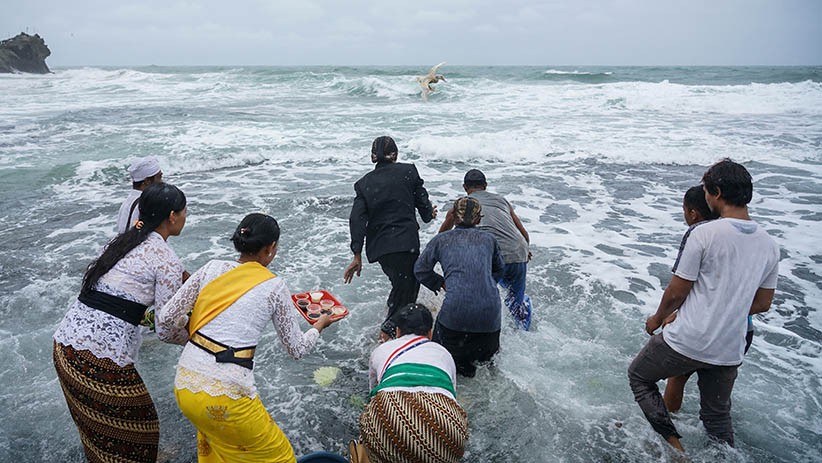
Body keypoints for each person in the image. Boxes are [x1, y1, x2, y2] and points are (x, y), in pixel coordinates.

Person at [157, 213, 340, 463]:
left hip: (185, 386)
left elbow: (166, 317)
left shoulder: (212, 267)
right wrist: (318, 326)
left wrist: (195, 338)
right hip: (225, 398)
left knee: (219, 453)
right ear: (270, 248)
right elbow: (297, 349)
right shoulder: (274, 286)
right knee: (280, 457)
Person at [628, 159, 779, 452]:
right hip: (729, 347)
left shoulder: (704, 234)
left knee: (639, 376)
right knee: (718, 418)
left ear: (717, 193)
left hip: (688, 340)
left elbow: (676, 291)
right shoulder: (769, 244)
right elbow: (763, 303)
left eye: (708, 191)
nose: (706, 196)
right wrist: (727, 309)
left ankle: (674, 447)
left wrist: (657, 319)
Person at [53, 182, 187, 463]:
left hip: (65, 345)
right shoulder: (165, 259)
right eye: (185, 212)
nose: (186, 217)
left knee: (98, 432)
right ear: (172, 216)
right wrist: (198, 336)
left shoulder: (123, 242)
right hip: (97, 358)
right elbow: (165, 329)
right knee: (141, 430)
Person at [662, 185, 757, 413]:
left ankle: (668, 429)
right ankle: (720, 440)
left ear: (693, 213)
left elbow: (682, 287)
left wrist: (665, 316)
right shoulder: (748, 235)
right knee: (718, 400)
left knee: (675, 377)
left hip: (702, 328)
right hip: (740, 329)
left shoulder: (701, 233)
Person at [344, 136, 437, 339]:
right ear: (394, 154)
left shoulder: (363, 183)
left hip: (381, 249)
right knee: (408, 289)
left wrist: (357, 254)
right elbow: (424, 209)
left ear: (372, 157)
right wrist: (430, 213)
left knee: (401, 285)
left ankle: (392, 324)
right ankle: (388, 333)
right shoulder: (408, 171)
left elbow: (356, 220)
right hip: (405, 244)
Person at [357, 303, 468, 463]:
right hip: (447, 426)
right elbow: (451, 397)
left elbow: (373, 393)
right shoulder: (444, 353)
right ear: (430, 333)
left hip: (392, 414)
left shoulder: (381, 350)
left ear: (397, 331)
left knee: (372, 440)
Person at [415, 196, 505, 377]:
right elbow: (499, 270)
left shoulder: (441, 240)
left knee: (441, 363)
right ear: (479, 219)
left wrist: (441, 283)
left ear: (453, 216)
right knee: (486, 370)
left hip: (456, 315)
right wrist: (483, 285)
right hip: (490, 315)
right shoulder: (489, 240)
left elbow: (420, 269)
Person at [439, 169, 533, 330]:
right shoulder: (501, 201)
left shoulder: (463, 206)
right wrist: (526, 250)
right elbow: (523, 232)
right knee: (515, 301)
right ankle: (522, 329)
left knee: (481, 296)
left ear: (464, 187)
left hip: (488, 255)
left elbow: (442, 236)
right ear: (486, 185)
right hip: (518, 250)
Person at [117, 156, 163, 233]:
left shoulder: (127, 202)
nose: (162, 182)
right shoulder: (146, 204)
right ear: (147, 181)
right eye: (159, 177)